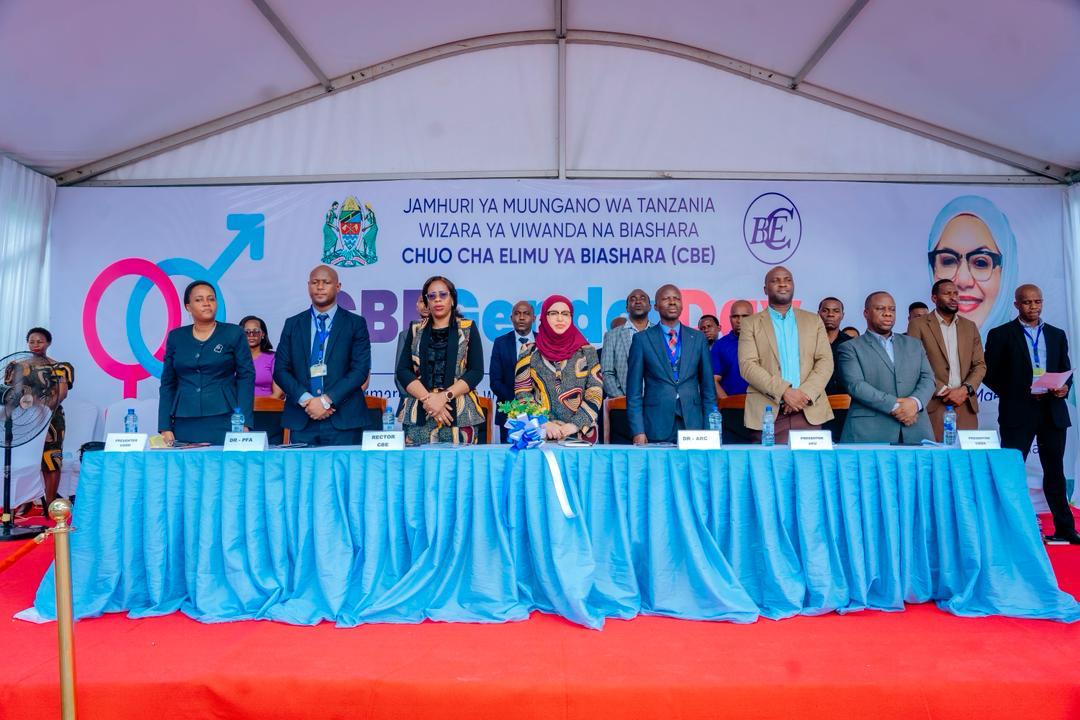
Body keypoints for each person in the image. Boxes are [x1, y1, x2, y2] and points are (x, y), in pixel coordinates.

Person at [984, 284, 1078, 544]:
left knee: (1055, 471)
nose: (1033, 307)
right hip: (1018, 411)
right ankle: (1008, 530)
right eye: (1027, 302)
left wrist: (1064, 388)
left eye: (1037, 301)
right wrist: (1021, 392)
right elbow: (990, 374)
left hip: (1052, 411)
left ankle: (1065, 528)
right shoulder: (1001, 334)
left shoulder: (1057, 334)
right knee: (1011, 471)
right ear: (1016, 304)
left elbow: (1066, 369)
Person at [274, 265, 373, 446]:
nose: (320, 287)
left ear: (338, 287)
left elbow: (360, 371)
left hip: (344, 418)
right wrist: (307, 400)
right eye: (315, 282)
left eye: (326, 282)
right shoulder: (293, 324)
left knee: (344, 466)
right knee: (303, 466)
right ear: (308, 286)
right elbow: (280, 371)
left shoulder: (355, 323)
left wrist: (326, 401)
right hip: (303, 417)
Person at [738, 267, 833, 444]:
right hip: (767, 414)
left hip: (808, 411)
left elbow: (825, 361)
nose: (782, 284)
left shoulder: (814, 320)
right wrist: (784, 392)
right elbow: (747, 366)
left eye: (787, 280)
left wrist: (803, 395)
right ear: (765, 289)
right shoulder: (750, 323)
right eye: (775, 280)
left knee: (809, 462)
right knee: (767, 462)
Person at [159, 281, 254, 446]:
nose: (206, 303)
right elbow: (168, 383)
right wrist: (164, 426)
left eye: (211, 299)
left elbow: (246, 377)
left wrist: (244, 422)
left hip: (225, 417)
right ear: (188, 307)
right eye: (199, 299)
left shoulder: (233, 333)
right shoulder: (176, 337)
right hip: (185, 418)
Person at [396, 276, 486, 445]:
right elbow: (403, 371)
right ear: (427, 302)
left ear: (452, 300)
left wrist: (444, 397)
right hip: (420, 412)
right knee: (418, 462)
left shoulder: (467, 328)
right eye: (432, 296)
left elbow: (476, 372)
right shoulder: (415, 329)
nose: (437, 299)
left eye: (443, 295)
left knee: (459, 462)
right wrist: (429, 400)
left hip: (460, 414)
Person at [837, 292, 935, 444]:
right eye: (880, 308)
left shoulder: (914, 344)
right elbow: (856, 385)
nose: (888, 313)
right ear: (866, 313)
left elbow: (928, 378)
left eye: (892, 309)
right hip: (869, 432)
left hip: (915, 428)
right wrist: (898, 407)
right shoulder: (850, 347)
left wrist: (915, 403)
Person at [627, 285, 716, 444]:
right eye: (666, 298)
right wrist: (638, 431)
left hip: (693, 423)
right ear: (655, 306)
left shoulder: (698, 338)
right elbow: (633, 392)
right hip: (656, 423)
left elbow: (708, 388)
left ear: (682, 305)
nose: (672, 302)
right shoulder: (642, 339)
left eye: (676, 298)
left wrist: (710, 429)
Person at [515, 295, 603, 442]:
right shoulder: (528, 352)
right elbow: (522, 393)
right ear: (544, 317)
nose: (560, 318)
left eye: (565, 314)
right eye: (554, 313)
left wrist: (574, 425)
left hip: (581, 434)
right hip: (540, 434)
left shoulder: (587, 352)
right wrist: (544, 423)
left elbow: (595, 392)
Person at [906, 280, 986, 440]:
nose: (953, 297)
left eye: (955, 293)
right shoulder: (918, 325)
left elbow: (980, 365)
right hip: (934, 402)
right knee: (934, 453)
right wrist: (943, 390)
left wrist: (964, 391)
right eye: (947, 293)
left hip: (965, 404)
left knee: (965, 454)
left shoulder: (969, 326)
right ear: (934, 298)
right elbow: (913, 364)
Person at [926, 196, 1017, 333]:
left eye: (981, 262)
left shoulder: (1019, 339)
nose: (963, 281)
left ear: (1006, 271)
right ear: (932, 268)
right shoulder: (921, 336)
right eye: (948, 261)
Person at [25, 328, 73, 507]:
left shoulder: (61, 367)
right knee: (26, 459)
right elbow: (13, 393)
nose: (35, 345)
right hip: (24, 419)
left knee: (51, 458)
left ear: (48, 343)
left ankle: (50, 501)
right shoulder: (18, 366)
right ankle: (24, 500)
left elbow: (62, 393)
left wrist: (44, 411)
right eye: (32, 341)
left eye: (40, 341)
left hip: (52, 419)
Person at [601, 288, 653, 443]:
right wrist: (622, 399)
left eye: (642, 298)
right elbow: (607, 372)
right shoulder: (613, 335)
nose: (638, 301)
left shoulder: (658, 334)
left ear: (650, 306)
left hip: (655, 409)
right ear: (627, 307)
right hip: (623, 409)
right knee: (622, 455)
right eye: (633, 299)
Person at [489, 300, 535, 442]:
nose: (521, 317)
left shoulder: (544, 342)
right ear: (511, 318)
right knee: (511, 454)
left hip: (540, 413)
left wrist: (534, 404)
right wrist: (519, 402)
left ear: (534, 318)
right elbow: (495, 382)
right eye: (517, 313)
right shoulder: (500, 343)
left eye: (526, 314)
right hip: (509, 413)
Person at [240, 315, 284, 444]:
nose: (251, 335)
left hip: (268, 413)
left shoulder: (273, 357)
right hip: (239, 415)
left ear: (263, 334)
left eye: (256, 331)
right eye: (247, 332)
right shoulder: (233, 359)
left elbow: (278, 393)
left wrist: (255, 404)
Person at [817, 297, 852, 441]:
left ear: (842, 315)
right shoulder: (808, 342)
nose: (830, 314)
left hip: (847, 409)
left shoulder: (851, 344)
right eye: (825, 310)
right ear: (818, 313)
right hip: (815, 407)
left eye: (836, 311)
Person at [395, 294, 430, 408]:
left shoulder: (453, 333)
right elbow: (399, 375)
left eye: (429, 301)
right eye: (422, 301)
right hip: (411, 403)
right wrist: (412, 401)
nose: (426, 305)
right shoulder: (405, 335)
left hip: (441, 404)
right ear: (417, 306)